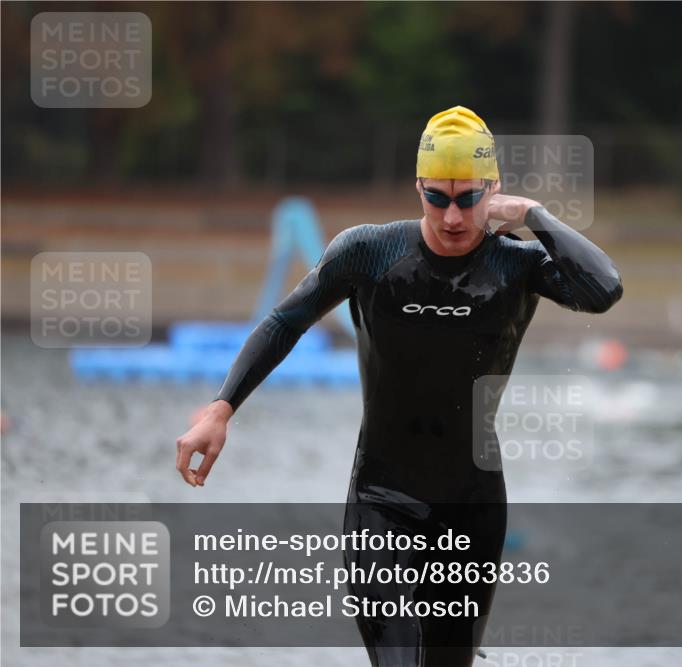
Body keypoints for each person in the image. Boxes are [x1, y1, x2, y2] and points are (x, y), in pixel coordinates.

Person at [175, 105, 623, 666]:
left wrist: (534, 214)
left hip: (472, 508)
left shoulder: (518, 265)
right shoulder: (370, 252)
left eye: (468, 198)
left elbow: (603, 289)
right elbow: (284, 320)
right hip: (382, 502)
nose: (453, 216)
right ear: (418, 188)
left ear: (494, 189)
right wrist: (222, 408)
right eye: (437, 197)